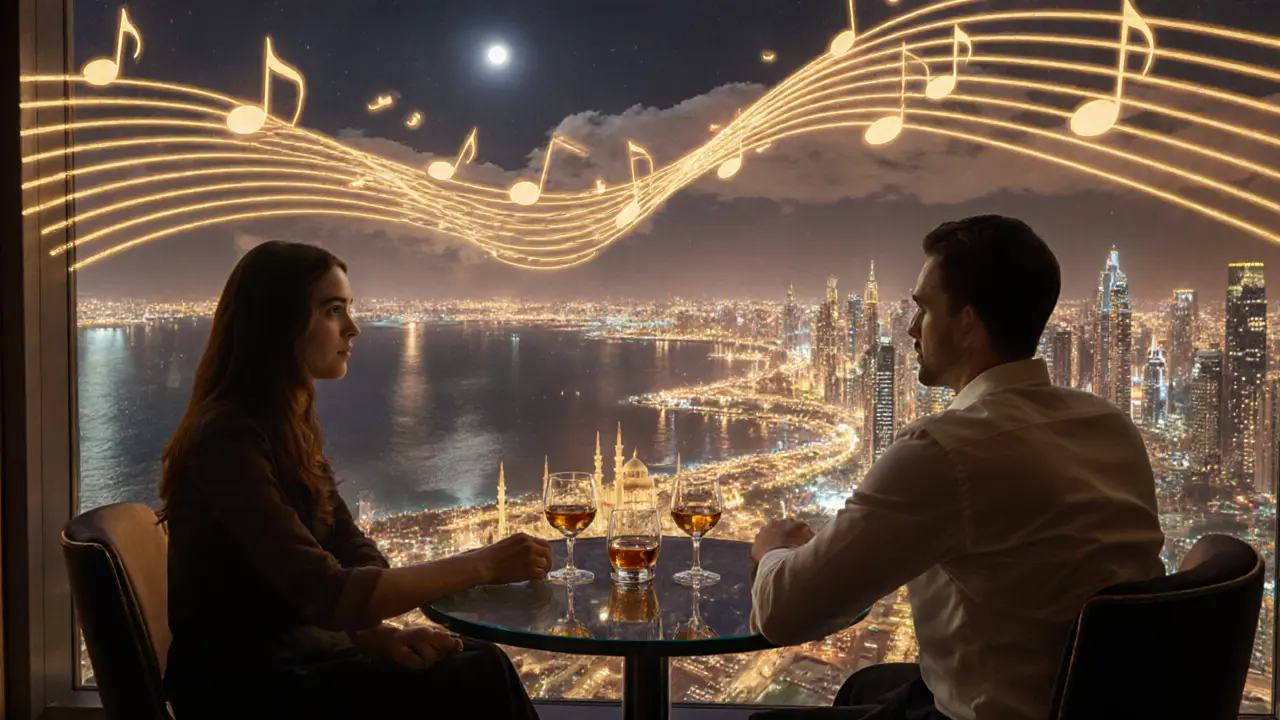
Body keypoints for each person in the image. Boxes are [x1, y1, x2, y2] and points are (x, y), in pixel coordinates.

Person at [747, 215, 1166, 720]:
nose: (911, 328)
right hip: (1103, 703)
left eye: (924, 309)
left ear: (967, 323)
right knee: (866, 686)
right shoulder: (1110, 424)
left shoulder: (942, 451)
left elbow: (783, 614)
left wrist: (772, 551)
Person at [160, 241, 551, 719]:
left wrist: (372, 635)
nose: (353, 327)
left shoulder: (284, 430)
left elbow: (352, 549)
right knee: (477, 674)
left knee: (477, 660)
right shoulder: (227, 440)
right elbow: (327, 593)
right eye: (333, 310)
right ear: (278, 323)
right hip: (247, 692)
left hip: (295, 661)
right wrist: (482, 565)